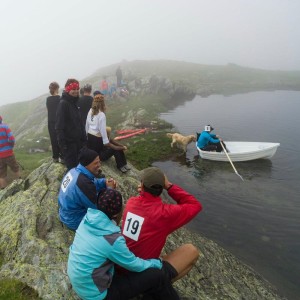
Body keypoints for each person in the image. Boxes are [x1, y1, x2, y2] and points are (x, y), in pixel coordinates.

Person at [68, 188, 179, 300]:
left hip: (81, 284)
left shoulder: (86, 220)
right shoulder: (111, 239)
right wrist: (156, 263)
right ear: (116, 214)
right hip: (96, 295)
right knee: (158, 275)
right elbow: (134, 264)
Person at [122, 167, 202, 282]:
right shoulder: (164, 214)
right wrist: (169, 186)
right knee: (191, 251)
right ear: (161, 189)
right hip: (142, 273)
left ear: (142, 185)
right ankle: (158, 286)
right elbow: (195, 205)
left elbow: (144, 205)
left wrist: (144, 192)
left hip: (122, 265)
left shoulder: (131, 202)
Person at [58, 147, 117, 231]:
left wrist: (104, 182)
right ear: (86, 165)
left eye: (99, 162)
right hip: (75, 220)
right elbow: (97, 209)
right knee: (110, 213)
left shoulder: (74, 171)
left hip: (65, 213)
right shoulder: (83, 183)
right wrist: (110, 190)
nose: (99, 165)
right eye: (96, 163)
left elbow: (92, 182)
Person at [86, 91, 130, 173]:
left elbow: (86, 126)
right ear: (102, 104)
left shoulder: (90, 111)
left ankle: (124, 164)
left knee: (113, 146)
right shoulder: (101, 115)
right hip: (99, 155)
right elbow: (106, 142)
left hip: (91, 147)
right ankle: (121, 165)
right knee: (115, 149)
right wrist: (122, 147)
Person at [55, 78, 87, 170]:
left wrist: (84, 140)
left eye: (77, 89)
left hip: (79, 144)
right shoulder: (63, 104)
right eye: (73, 89)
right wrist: (63, 147)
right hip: (70, 146)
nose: (76, 91)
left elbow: (80, 123)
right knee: (73, 171)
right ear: (68, 90)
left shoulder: (74, 103)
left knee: (81, 169)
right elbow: (59, 127)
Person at [0, 116, 20, 189]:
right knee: (15, 169)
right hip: (8, 153)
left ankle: (3, 190)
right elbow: (11, 138)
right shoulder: (5, 127)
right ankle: (19, 184)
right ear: (1, 119)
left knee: (1, 174)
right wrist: (11, 146)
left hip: (0, 156)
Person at [46, 81, 62, 163]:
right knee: (61, 138)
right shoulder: (60, 98)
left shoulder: (48, 99)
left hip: (50, 121)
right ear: (56, 89)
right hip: (58, 120)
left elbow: (48, 110)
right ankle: (62, 156)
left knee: (53, 138)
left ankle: (55, 157)